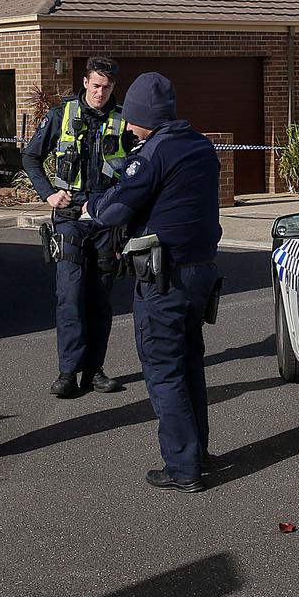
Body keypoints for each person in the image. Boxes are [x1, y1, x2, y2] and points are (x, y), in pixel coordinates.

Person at [85, 72, 221, 492]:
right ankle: (197, 451)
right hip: (201, 272)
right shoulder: (201, 145)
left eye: (132, 117)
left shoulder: (153, 153)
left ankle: (182, 468)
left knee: (163, 372)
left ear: (149, 116)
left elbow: (113, 210)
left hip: (165, 278)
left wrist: (90, 207)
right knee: (190, 363)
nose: (126, 126)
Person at [23, 56, 131, 398]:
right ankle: (67, 372)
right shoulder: (60, 115)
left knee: (100, 299)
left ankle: (94, 371)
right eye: (96, 85)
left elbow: (136, 169)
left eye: (107, 86)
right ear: (85, 83)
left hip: (105, 218)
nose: (101, 92)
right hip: (69, 218)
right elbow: (31, 157)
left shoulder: (124, 120)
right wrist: (49, 195)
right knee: (69, 297)